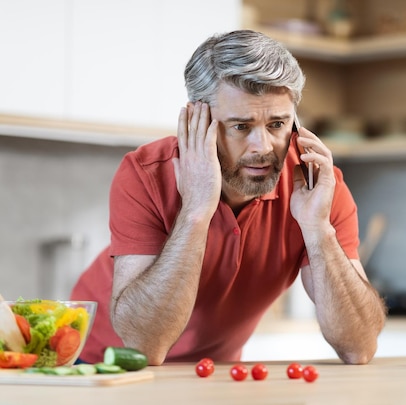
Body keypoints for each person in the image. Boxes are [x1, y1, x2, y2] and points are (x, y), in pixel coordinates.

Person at [70, 29, 386, 366]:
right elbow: (145, 347)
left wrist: (318, 229)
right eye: (241, 126)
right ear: (198, 119)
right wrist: (195, 210)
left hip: (215, 371)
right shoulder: (146, 174)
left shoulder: (314, 183)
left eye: (277, 124)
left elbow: (359, 347)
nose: (263, 147)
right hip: (100, 365)